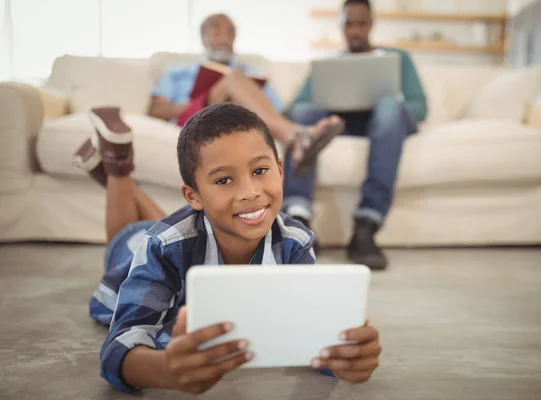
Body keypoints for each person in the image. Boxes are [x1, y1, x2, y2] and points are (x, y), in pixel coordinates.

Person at [72, 104, 381, 394]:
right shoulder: (161, 247)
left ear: (280, 169)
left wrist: (343, 352)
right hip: (141, 250)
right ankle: (117, 169)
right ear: (192, 196)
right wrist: (164, 369)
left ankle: (118, 179)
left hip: (195, 227)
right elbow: (119, 345)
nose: (250, 193)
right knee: (125, 239)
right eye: (224, 180)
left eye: (260, 171)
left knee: (180, 227)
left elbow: (309, 329)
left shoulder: (295, 242)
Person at [282, 0, 428, 270]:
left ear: (371, 24)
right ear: (340, 26)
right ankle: (298, 217)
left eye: (362, 23)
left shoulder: (397, 58)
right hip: (344, 124)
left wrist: (382, 100)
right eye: (349, 24)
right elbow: (295, 109)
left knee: (388, 107)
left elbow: (419, 107)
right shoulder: (330, 65)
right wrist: (333, 104)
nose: (355, 31)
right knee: (306, 113)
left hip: (386, 122)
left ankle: (366, 226)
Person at [149, 13, 344, 174]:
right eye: (216, 29)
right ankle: (295, 136)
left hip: (237, 120)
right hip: (196, 117)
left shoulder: (251, 73)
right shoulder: (179, 72)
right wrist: (189, 105)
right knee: (234, 78)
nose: (223, 37)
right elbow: (155, 110)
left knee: (238, 81)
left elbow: (276, 111)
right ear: (203, 37)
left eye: (230, 32)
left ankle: (297, 137)